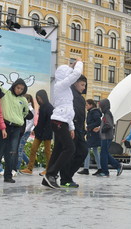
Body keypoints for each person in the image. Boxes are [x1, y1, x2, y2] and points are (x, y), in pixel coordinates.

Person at [41, 58, 83, 189]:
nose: (71, 77)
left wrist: (71, 127)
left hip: (62, 121)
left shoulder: (65, 89)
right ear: (65, 76)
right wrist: (80, 62)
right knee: (70, 148)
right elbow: (76, 74)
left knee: (58, 150)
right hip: (59, 121)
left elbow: (68, 110)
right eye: (68, 74)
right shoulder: (61, 85)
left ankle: (48, 176)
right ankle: (51, 175)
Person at [0, 77, 29, 183]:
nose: (19, 90)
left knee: (12, 152)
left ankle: (8, 176)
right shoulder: (6, 93)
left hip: (17, 128)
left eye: (22, 89)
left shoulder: (23, 100)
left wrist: (19, 118)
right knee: (0, 151)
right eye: (18, 88)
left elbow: (25, 112)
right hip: (5, 126)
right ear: (14, 86)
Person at [59, 75, 89, 188]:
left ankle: (68, 176)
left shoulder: (80, 98)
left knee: (83, 151)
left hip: (80, 130)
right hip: (70, 128)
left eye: (84, 85)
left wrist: (83, 128)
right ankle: (65, 179)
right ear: (75, 83)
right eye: (82, 85)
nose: (83, 88)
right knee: (69, 154)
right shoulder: (69, 94)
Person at [20, 90, 53, 175]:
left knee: (47, 151)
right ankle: (29, 169)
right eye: (37, 98)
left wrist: (43, 131)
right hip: (39, 133)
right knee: (33, 149)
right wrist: (36, 129)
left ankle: (48, 169)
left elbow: (49, 123)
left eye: (40, 98)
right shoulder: (41, 107)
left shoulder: (49, 107)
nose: (39, 100)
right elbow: (40, 122)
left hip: (47, 133)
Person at [97, 99, 124, 177]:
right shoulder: (106, 113)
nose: (100, 107)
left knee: (103, 154)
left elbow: (109, 124)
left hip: (106, 136)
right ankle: (118, 166)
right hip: (106, 136)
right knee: (105, 153)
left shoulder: (107, 114)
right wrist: (100, 128)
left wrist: (102, 130)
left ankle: (105, 172)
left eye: (101, 106)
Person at [78, 99, 102, 175]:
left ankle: (86, 168)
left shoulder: (94, 112)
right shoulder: (93, 112)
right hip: (92, 134)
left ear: (91, 105)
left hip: (92, 135)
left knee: (87, 150)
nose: (86, 106)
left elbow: (98, 121)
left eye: (87, 105)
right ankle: (99, 168)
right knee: (95, 151)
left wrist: (88, 127)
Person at [16, 94, 35, 172]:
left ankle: (17, 167)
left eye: (25, 99)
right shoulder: (23, 107)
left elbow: (31, 122)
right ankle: (28, 162)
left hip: (26, 132)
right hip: (22, 131)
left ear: (29, 100)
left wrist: (24, 130)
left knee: (19, 148)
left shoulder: (31, 109)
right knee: (18, 148)